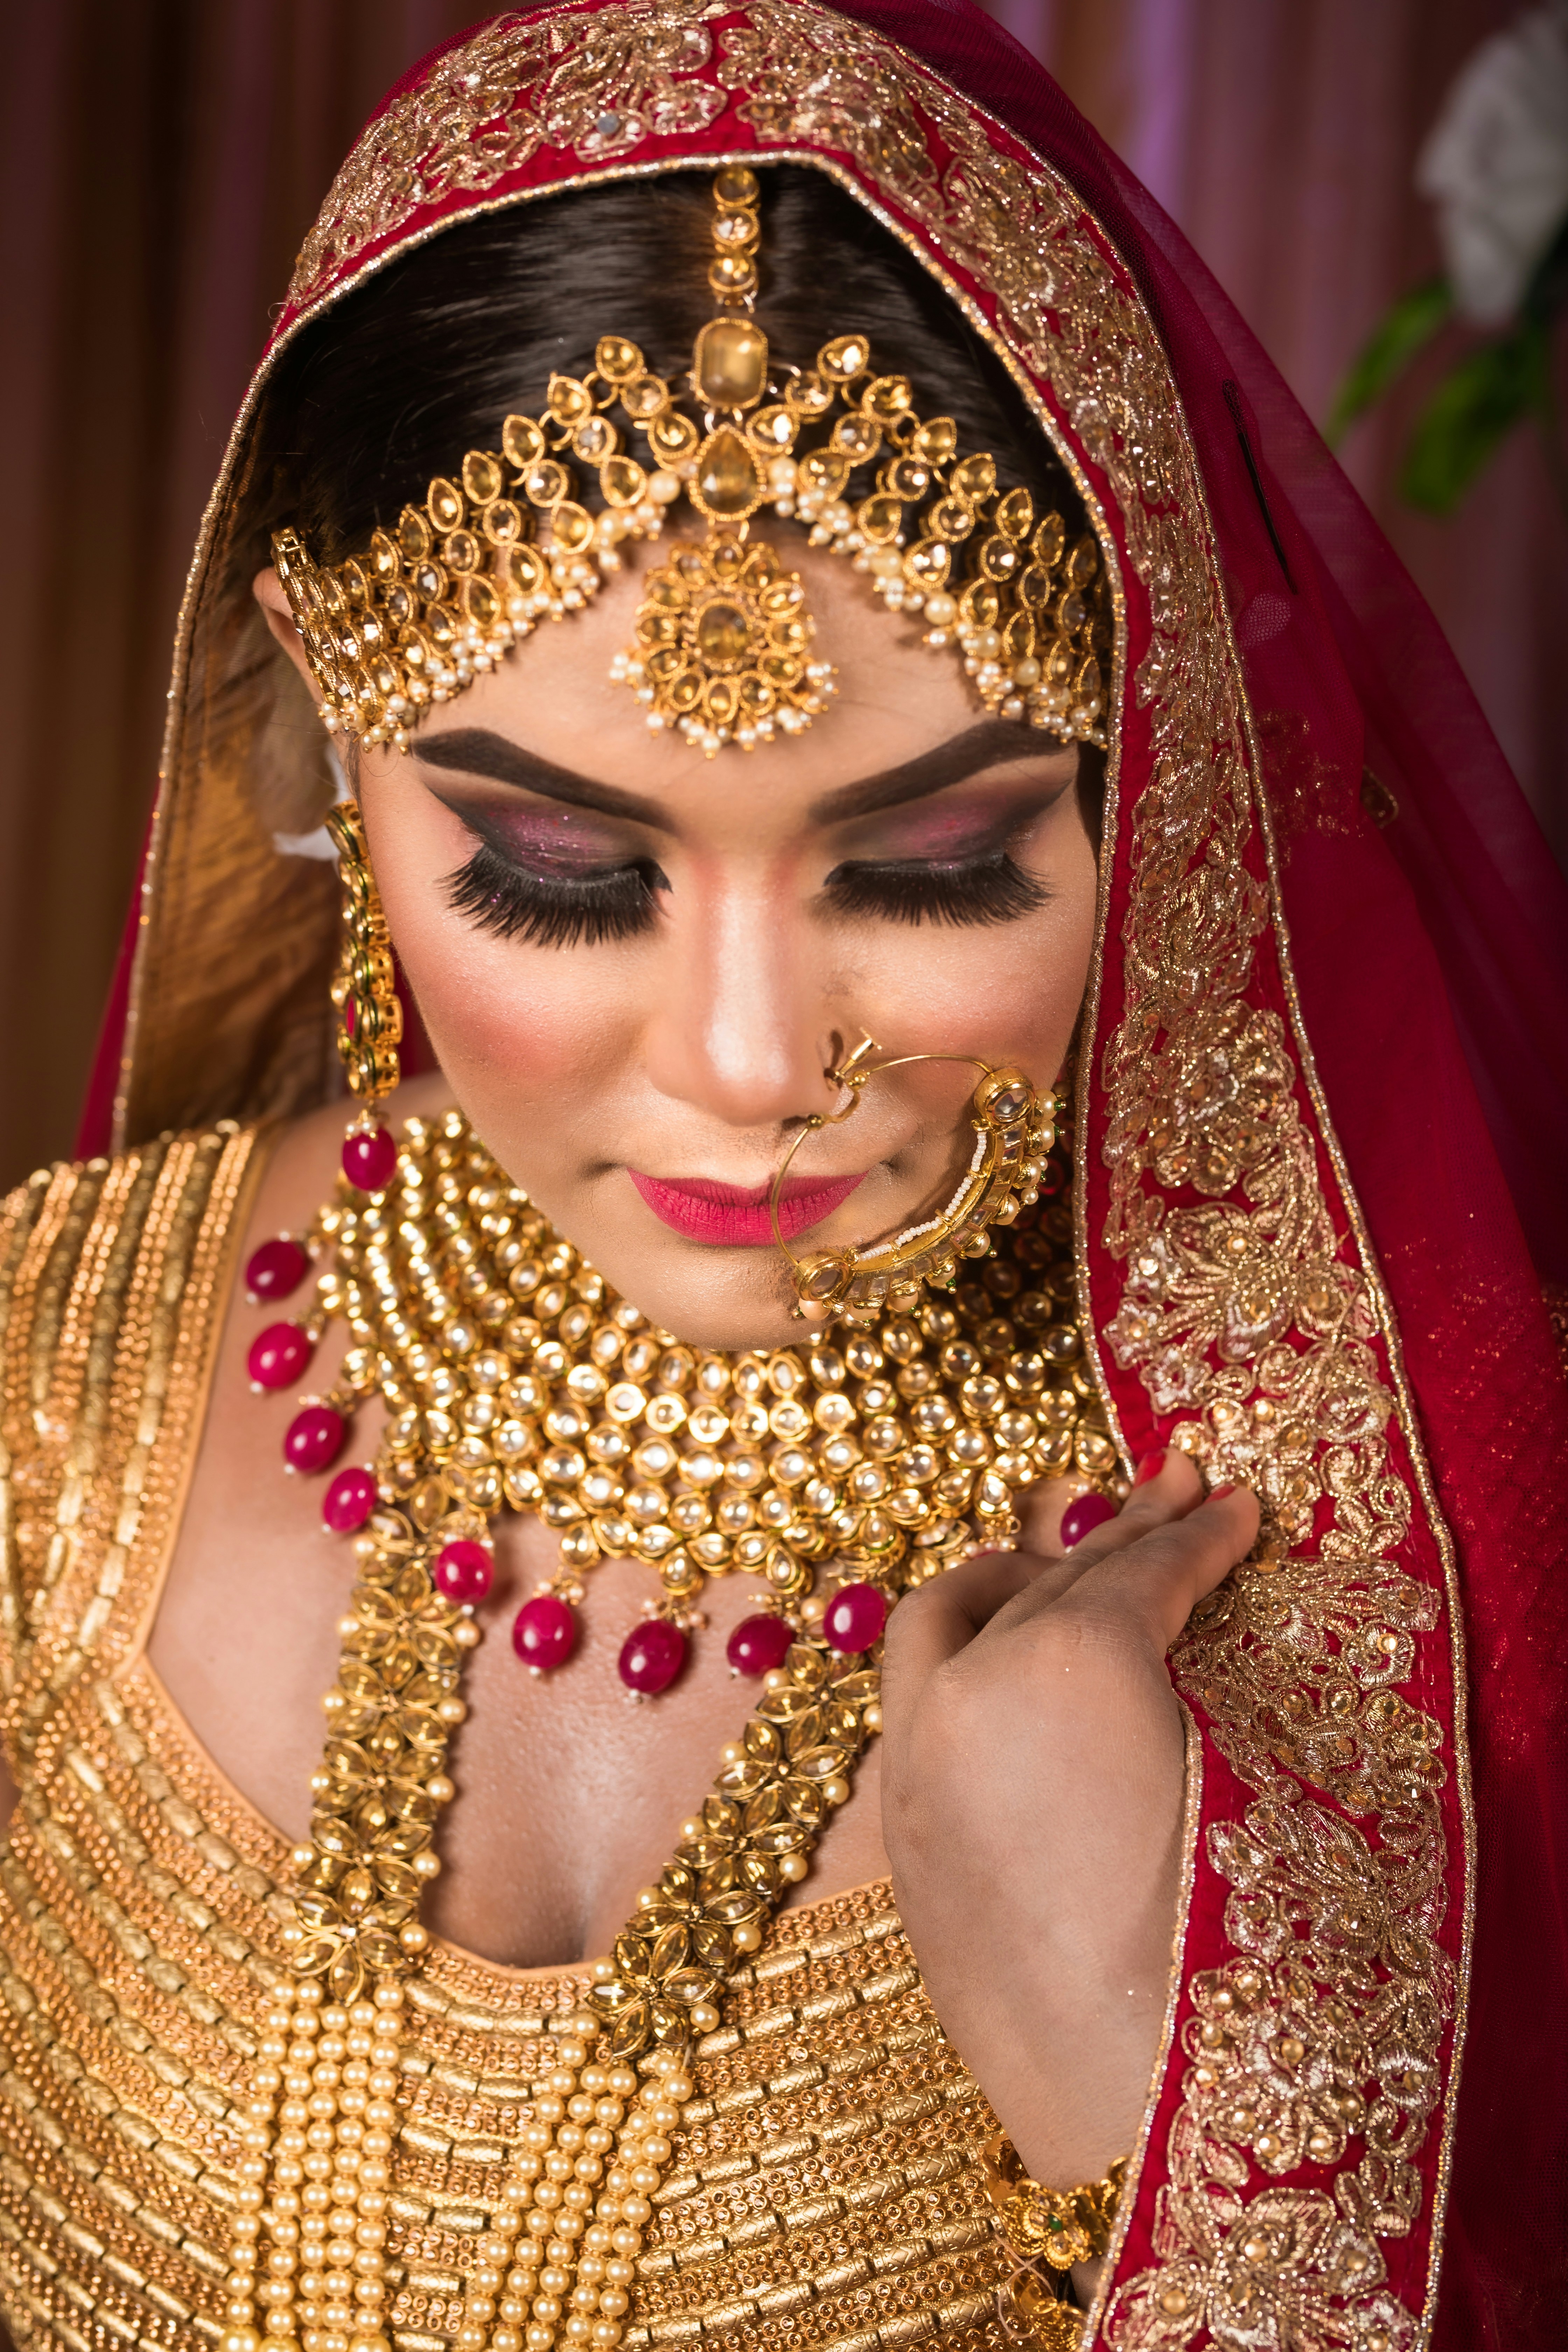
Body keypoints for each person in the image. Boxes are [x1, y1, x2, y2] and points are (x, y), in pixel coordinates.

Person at [2, 6, 1564, 2350]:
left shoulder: (1385, 1561)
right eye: (550, 869)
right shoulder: (46, 1381)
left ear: (1162, 775)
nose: (755, 1069)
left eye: (934, 868)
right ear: (336, 724)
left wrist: (1152, 2113)